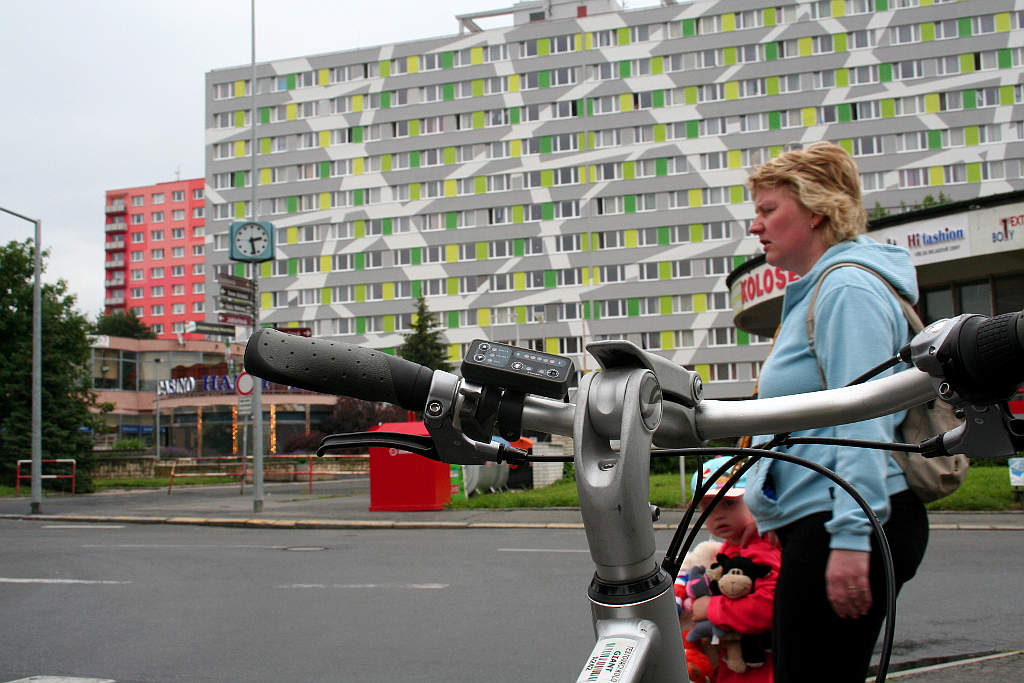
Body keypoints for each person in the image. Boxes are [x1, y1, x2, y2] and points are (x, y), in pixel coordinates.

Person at [741, 142, 930, 683]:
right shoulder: (819, 290)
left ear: (817, 210)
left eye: (768, 209)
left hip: (847, 521)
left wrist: (850, 538)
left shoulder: (847, 288)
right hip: (823, 518)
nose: (756, 226)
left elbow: (863, 418)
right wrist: (772, 507)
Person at [679, 457, 780, 683]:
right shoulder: (731, 547)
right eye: (708, 508)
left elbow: (768, 608)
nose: (718, 515)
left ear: (755, 500)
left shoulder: (762, 547)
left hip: (761, 668)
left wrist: (711, 608)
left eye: (728, 503)